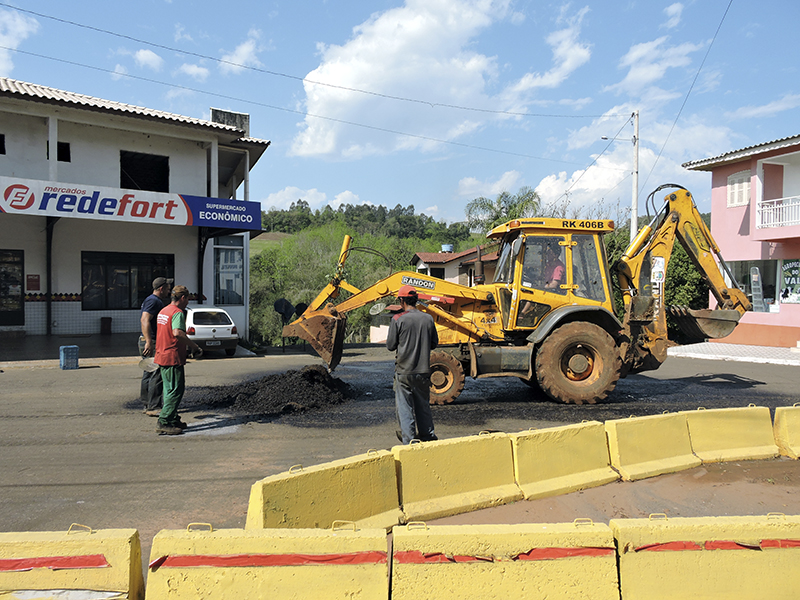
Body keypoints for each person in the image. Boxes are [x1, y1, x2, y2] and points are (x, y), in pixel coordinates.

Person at [386, 285, 439, 444]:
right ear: (415, 300)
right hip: (423, 371)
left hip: (404, 372)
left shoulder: (397, 319)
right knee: (423, 406)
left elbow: (390, 345)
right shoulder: (428, 318)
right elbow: (434, 343)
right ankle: (428, 437)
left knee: (405, 408)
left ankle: (410, 441)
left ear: (402, 301)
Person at [153, 285, 202, 435]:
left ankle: (173, 418)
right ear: (182, 298)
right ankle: (164, 421)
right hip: (172, 357)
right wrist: (194, 346)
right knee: (176, 390)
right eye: (187, 299)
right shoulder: (177, 313)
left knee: (168, 390)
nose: (187, 303)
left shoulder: (164, 311)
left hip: (162, 354)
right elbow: (177, 333)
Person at [139, 277, 172, 416]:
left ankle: (147, 404)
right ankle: (154, 407)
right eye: (168, 288)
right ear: (161, 288)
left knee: (148, 372)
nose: (169, 291)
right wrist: (149, 341)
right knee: (156, 373)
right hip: (151, 342)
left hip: (147, 340)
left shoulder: (150, 300)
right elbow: (145, 319)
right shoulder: (154, 301)